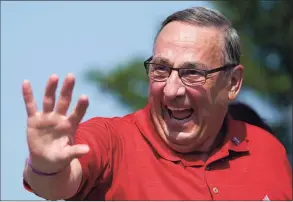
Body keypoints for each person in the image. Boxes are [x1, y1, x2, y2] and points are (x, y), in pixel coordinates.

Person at [22, 7, 292, 201]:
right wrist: (46, 166)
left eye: (192, 73)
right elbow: (57, 184)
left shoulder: (269, 151)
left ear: (233, 82)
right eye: (161, 69)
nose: (172, 90)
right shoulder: (113, 142)